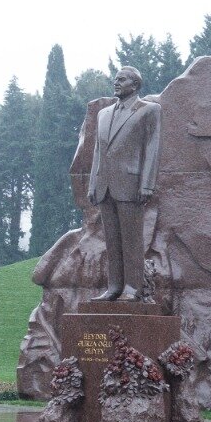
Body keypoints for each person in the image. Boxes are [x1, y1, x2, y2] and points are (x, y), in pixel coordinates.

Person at [87, 65, 162, 300]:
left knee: (131, 240)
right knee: (112, 240)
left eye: (121, 79)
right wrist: (92, 184)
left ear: (135, 85)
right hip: (105, 185)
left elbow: (152, 149)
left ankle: (133, 288)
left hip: (130, 184)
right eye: (115, 79)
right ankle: (114, 287)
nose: (116, 83)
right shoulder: (103, 114)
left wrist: (147, 184)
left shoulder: (149, 110)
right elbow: (99, 151)